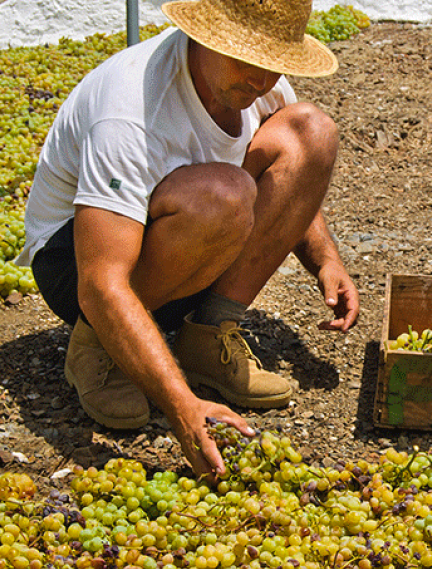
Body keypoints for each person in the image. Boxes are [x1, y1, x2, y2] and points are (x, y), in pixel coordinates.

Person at [15, 0, 359, 480]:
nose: (261, 80)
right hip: (77, 267)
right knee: (224, 193)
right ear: (205, 36)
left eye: (272, 62)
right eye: (246, 58)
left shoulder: (259, 83)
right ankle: (96, 345)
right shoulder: (130, 107)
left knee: (310, 131)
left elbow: (289, 173)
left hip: (179, 241)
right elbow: (99, 281)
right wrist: (181, 406)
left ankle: (206, 337)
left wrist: (326, 258)